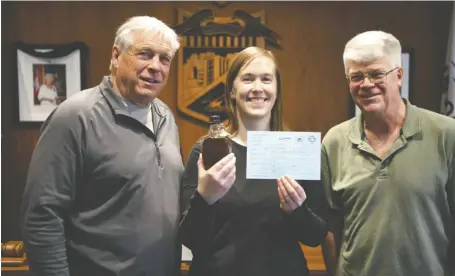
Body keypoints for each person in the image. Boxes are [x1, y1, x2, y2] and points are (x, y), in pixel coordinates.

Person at [21, 16, 184, 276]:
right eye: (145, 54)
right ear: (116, 56)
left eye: (165, 59)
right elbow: (42, 215)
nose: (156, 66)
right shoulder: (75, 117)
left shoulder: (165, 117)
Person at [320, 30, 455, 276]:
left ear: (398, 76)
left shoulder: (448, 135)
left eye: (377, 74)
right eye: (357, 76)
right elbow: (331, 228)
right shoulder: (334, 141)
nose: (366, 84)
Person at [179, 46, 328, 276]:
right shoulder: (208, 150)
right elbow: (189, 238)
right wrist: (205, 197)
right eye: (248, 79)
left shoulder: (297, 151)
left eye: (266, 79)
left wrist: (297, 211)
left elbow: (315, 236)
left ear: (276, 90)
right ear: (231, 90)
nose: (257, 88)